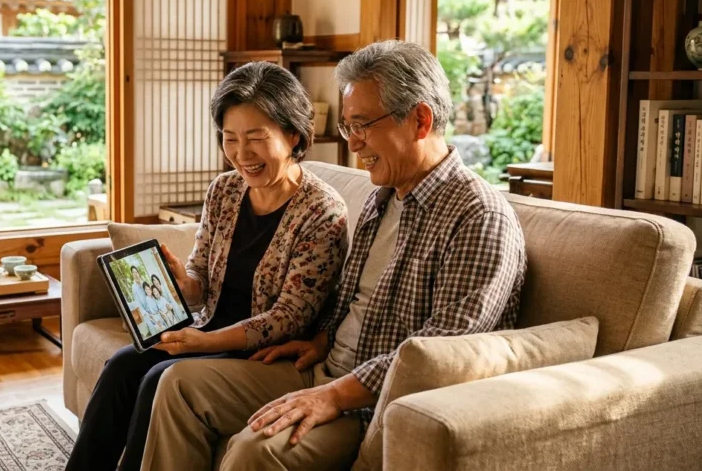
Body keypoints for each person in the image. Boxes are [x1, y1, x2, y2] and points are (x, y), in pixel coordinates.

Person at [140, 40, 528, 471]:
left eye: (362, 125)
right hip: (321, 368)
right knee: (176, 383)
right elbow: (350, 302)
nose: (354, 144)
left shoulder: (478, 217)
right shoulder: (383, 198)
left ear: (420, 120)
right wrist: (320, 340)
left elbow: (439, 354)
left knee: (257, 449)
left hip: (375, 403)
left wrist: (335, 394)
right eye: (347, 127)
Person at [66, 62, 350, 471]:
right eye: (230, 138)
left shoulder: (322, 211)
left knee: (157, 378)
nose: (241, 154)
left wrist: (203, 343)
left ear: (293, 135)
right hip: (210, 329)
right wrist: (185, 284)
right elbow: (201, 277)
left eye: (256, 138)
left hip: (266, 356)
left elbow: (288, 318)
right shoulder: (225, 190)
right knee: (124, 365)